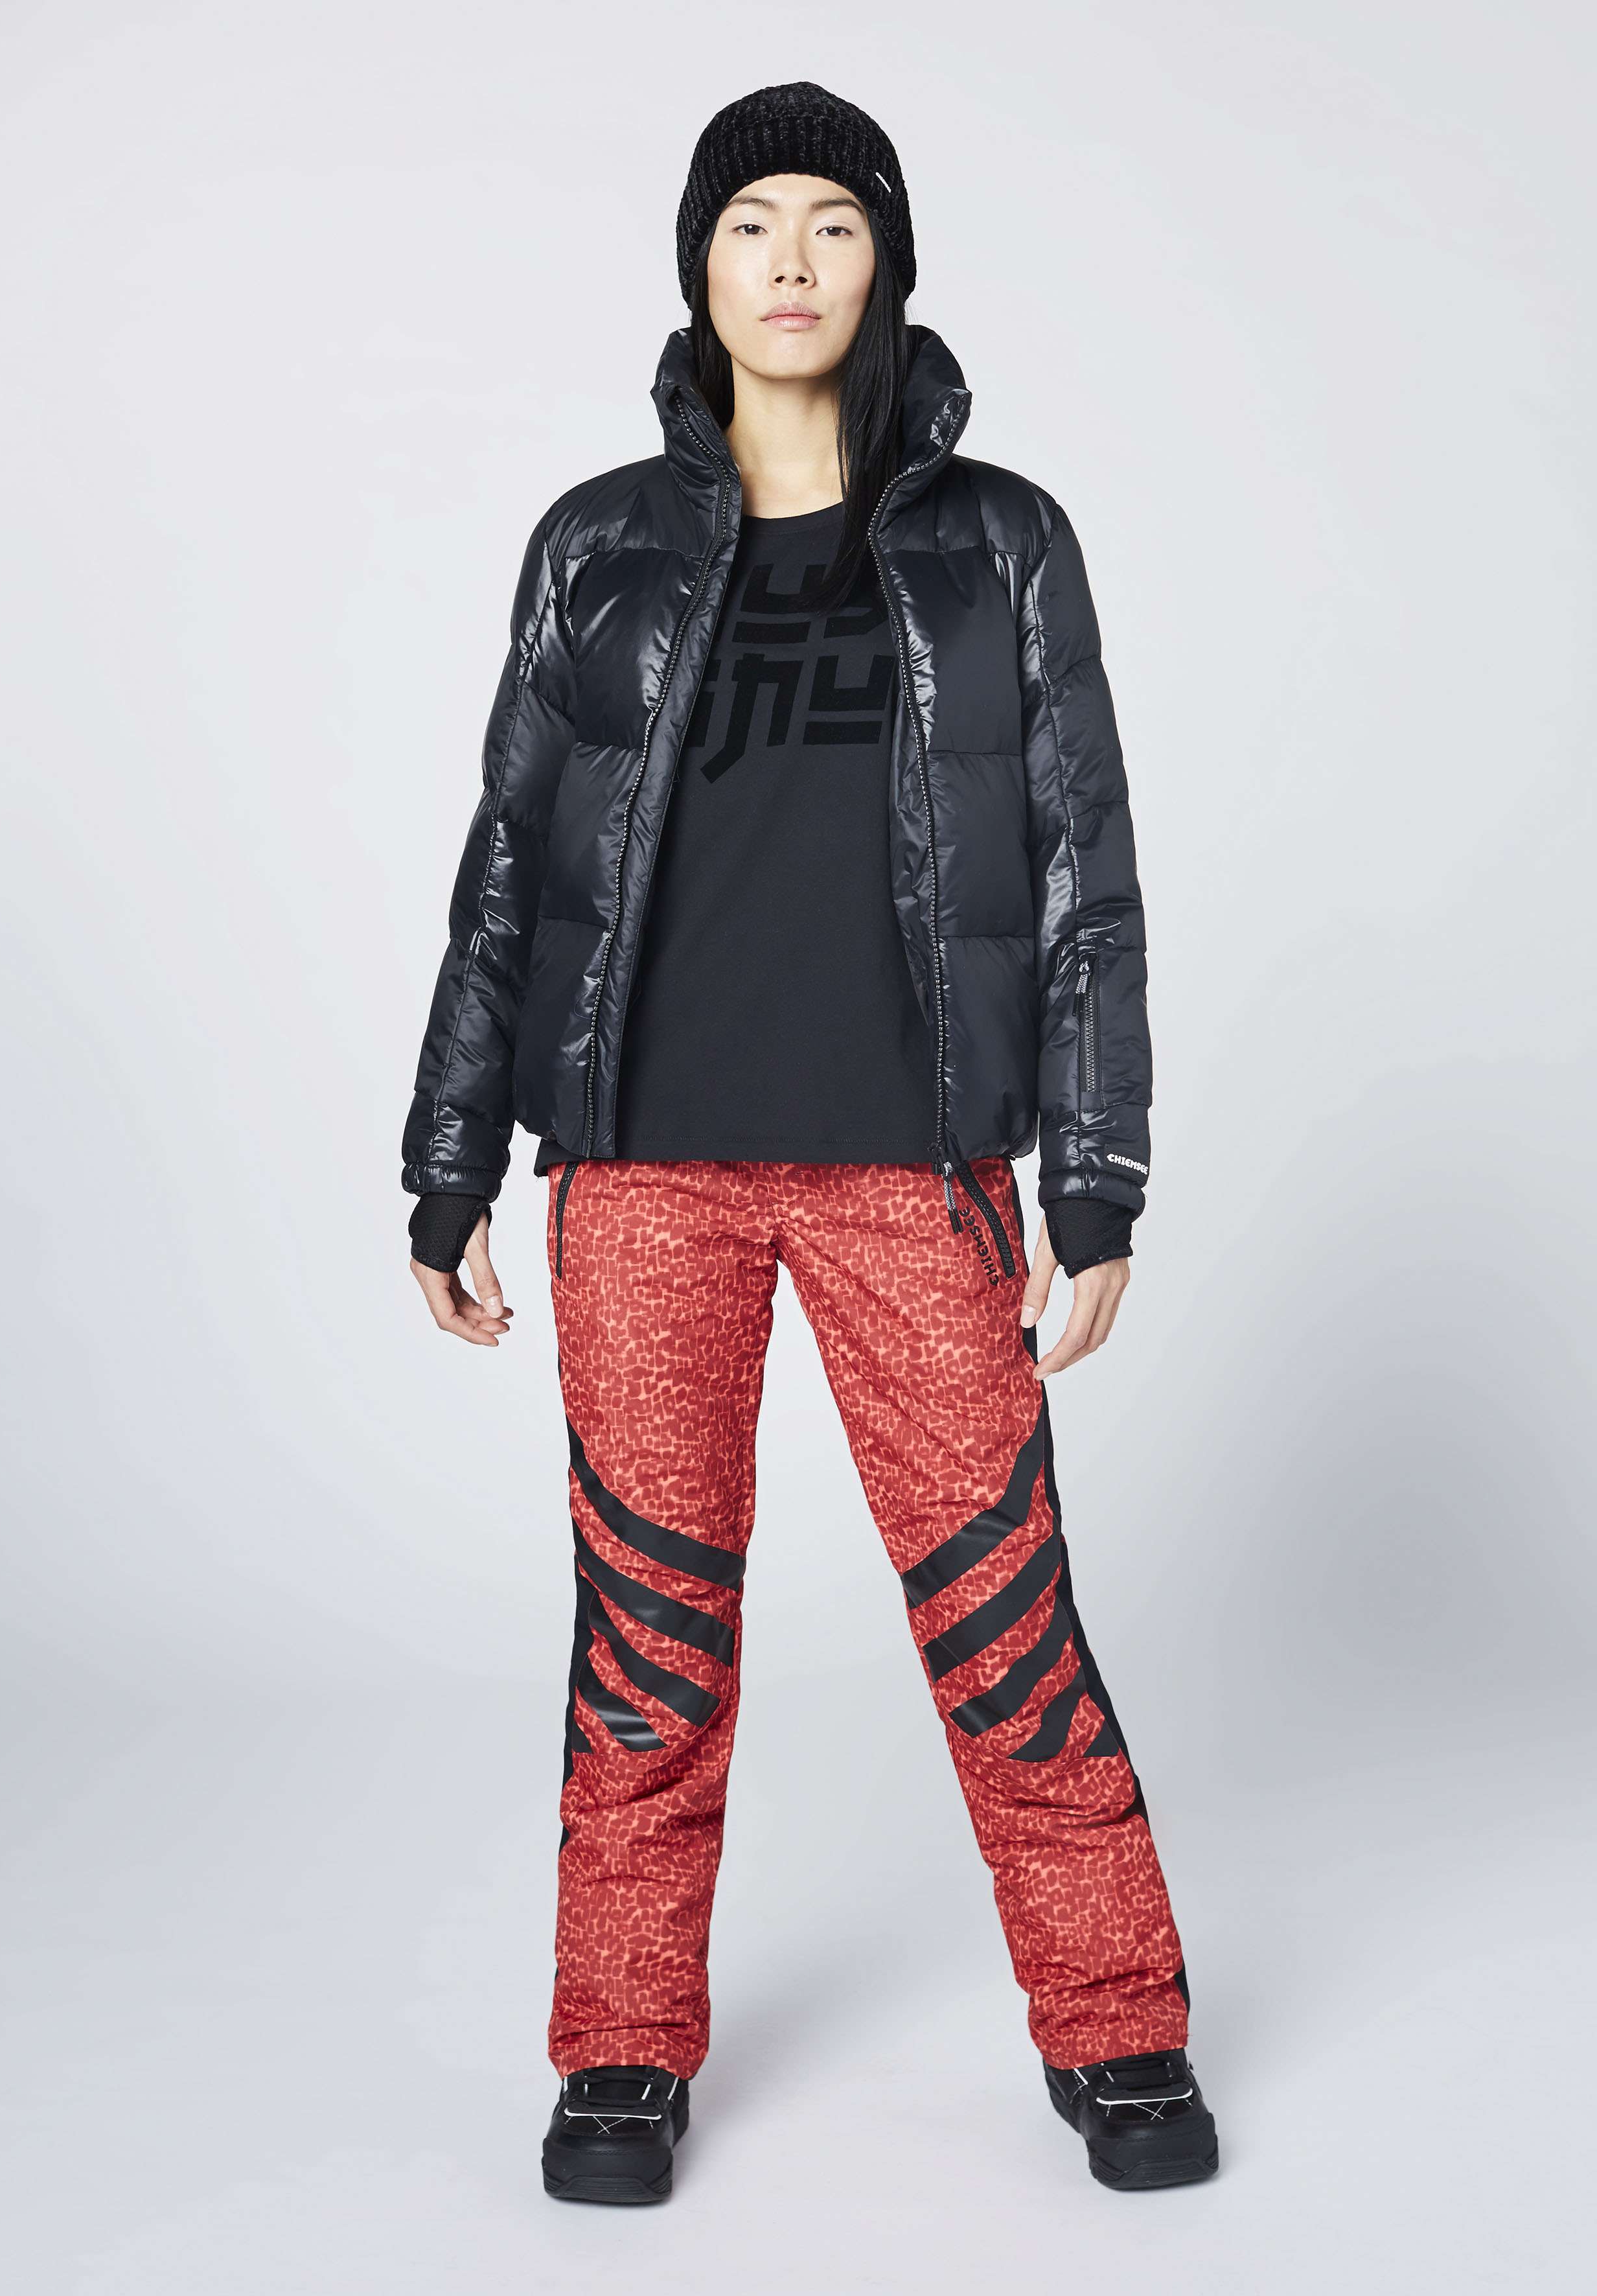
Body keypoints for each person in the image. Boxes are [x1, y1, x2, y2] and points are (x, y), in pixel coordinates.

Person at [401, 82, 1218, 2201]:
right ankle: (619, 2052)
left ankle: (1119, 2027)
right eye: (750, 220)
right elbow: (509, 867)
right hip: (640, 1175)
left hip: (908, 1171)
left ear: (885, 264)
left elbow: (1084, 868)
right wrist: (451, 1155)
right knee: (648, 1637)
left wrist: (1096, 1171)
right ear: (699, 263)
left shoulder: (1002, 545)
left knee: (1003, 1617)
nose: (788, 260)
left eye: (832, 224)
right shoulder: (595, 546)